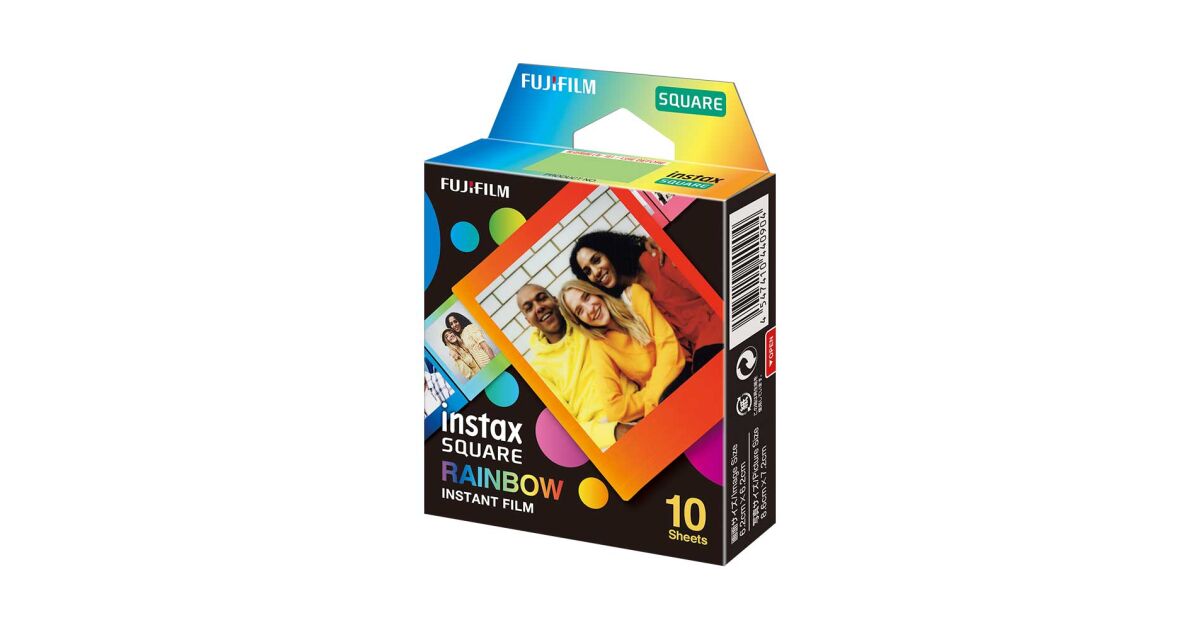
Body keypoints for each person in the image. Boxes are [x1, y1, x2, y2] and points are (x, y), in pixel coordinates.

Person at [569, 231, 722, 368]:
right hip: (697, 354)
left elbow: (710, 288)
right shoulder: (627, 302)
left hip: (718, 325)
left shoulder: (655, 258)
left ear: (610, 251)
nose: (595, 272)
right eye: (588, 271)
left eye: (596, 260)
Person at [516, 283, 639, 450]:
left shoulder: (586, 320)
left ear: (555, 300)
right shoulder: (537, 370)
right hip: (605, 435)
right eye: (529, 308)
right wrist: (615, 431)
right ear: (528, 321)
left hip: (638, 403)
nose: (539, 307)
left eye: (542, 298)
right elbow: (566, 426)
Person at [557, 279, 685, 419]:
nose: (590, 309)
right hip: (661, 405)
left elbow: (669, 349)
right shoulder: (600, 345)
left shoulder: (634, 297)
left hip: (685, 377)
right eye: (580, 311)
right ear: (580, 322)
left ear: (596, 292)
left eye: (587, 297)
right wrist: (651, 396)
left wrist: (651, 398)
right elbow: (614, 408)